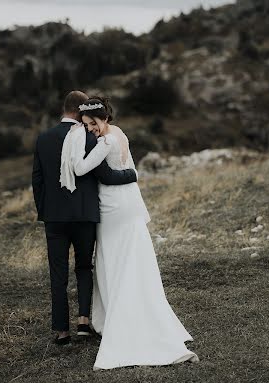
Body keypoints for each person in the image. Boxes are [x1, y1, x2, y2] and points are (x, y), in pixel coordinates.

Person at [60, 96, 199, 369]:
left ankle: (121, 322)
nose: (89, 129)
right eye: (85, 125)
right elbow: (132, 171)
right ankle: (126, 315)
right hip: (129, 206)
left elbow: (81, 168)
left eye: (91, 124)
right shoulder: (120, 133)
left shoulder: (107, 141)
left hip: (114, 211)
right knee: (132, 261)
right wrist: (132, 175)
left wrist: (75, 146)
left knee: (114, 262)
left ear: (104, 118)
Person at [31, 91, 138, 345]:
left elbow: (38, 179)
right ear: (80, 111)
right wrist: (133, 174)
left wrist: (45, 212)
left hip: (55, 217)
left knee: (57, 272)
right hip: (84, 214)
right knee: (83, 267)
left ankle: (61, 330)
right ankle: (82, 321)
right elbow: (105, 175)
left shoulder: (44, 138)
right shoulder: (89, 138)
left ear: (63, 108)